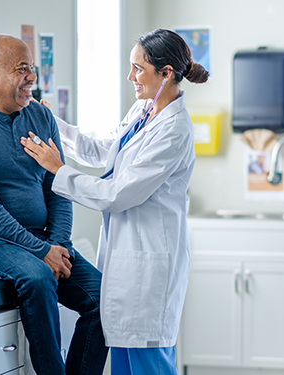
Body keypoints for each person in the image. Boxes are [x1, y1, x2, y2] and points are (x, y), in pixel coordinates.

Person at [21, 28, 208, 375]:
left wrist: (58, 170)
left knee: (148, 364)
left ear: (166, 73)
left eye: (138, 68)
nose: (130, 77)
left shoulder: (174, 130)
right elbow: (103, 150)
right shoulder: (143, 110)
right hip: (126, 261)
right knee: (123, 359)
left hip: (150, 264)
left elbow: (118, 194)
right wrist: (52, 121)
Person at [0, 33, 108, 375]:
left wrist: (58, 243)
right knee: (38, 276)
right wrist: (42, 251)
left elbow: (56, 187)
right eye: (22, 69)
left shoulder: (41, 118)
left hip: (36, 238)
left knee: (105, 298)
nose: (32, 77)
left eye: (32, 68)